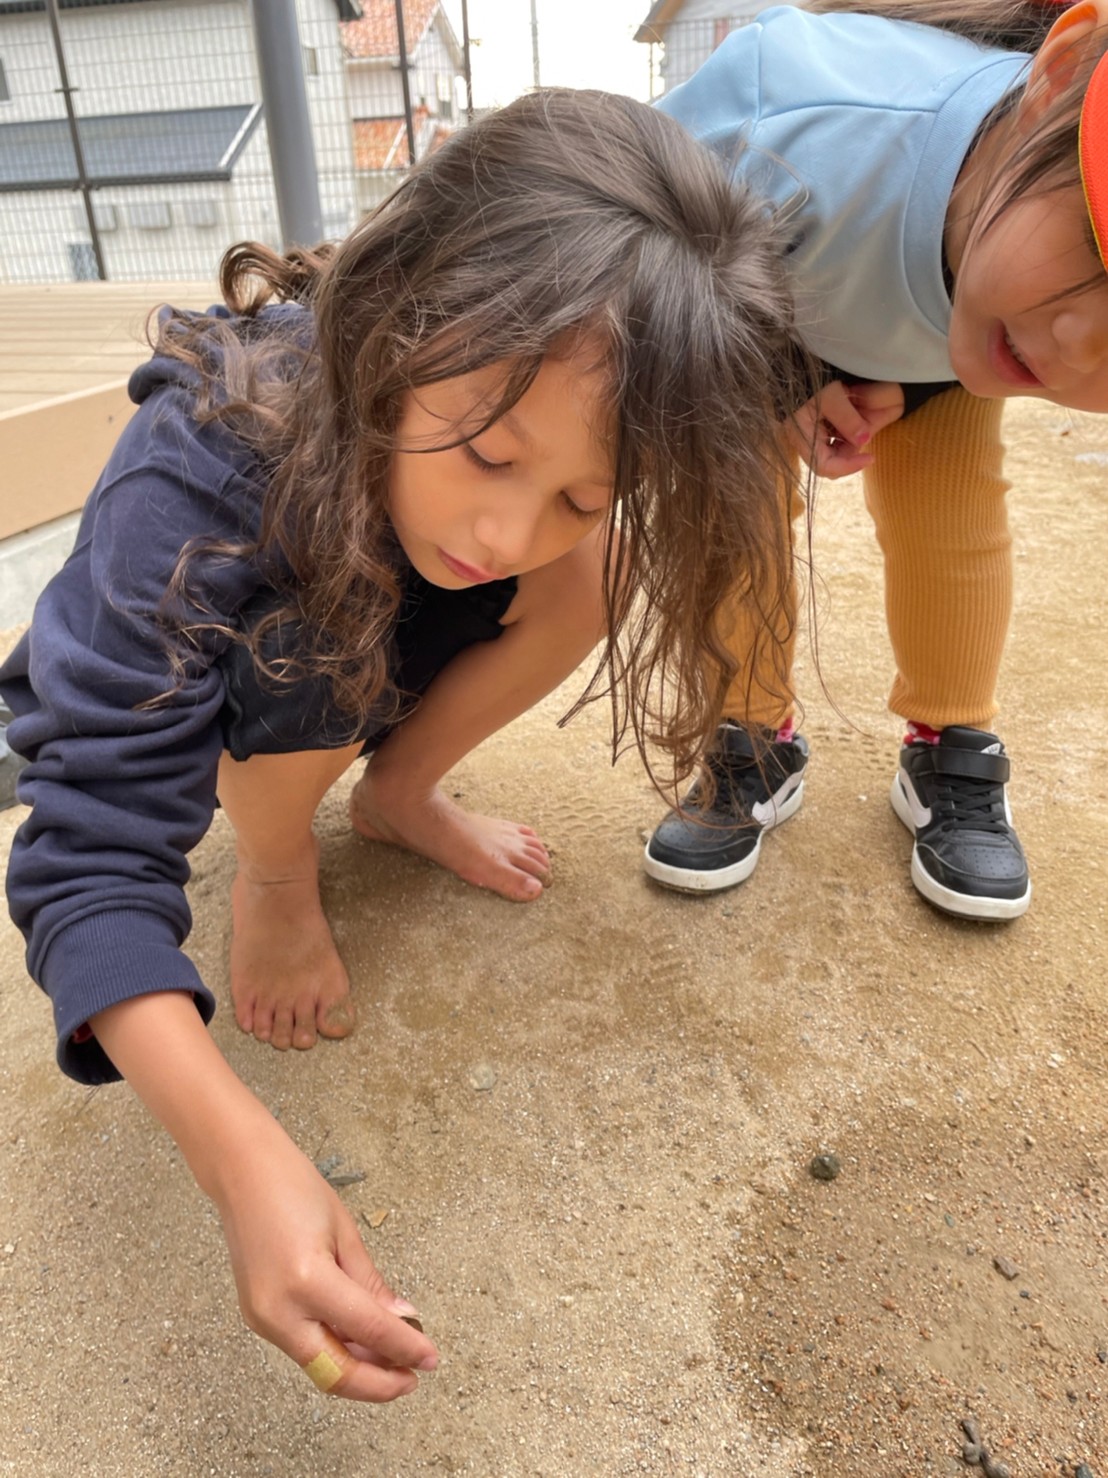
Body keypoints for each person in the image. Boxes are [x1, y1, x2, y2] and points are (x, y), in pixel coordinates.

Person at [0, 90, 809, 1401]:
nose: (506, 532)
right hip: (259, 681)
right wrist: (241, 1160)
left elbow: (547, 523)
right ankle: (279, 869)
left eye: (579, 490)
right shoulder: (206, 457)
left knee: (591, 572)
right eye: (487, 451)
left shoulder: (502, 519)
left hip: (387, 633)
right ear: (400, 310)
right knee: (316, 639)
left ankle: (401, 790)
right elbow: (87, 850)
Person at [644, 0, 1108, 921]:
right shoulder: (798, 126)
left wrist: (902, 384)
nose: (1081, 352)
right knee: (732, 493)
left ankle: (950, 739)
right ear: (1055, 78)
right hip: (745, 310)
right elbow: (648, 241)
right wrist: (784, 376)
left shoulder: (1034, 294)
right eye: (1099, 242)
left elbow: (1003, 318)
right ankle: (750, 733)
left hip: (949, 322)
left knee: (949, 496)